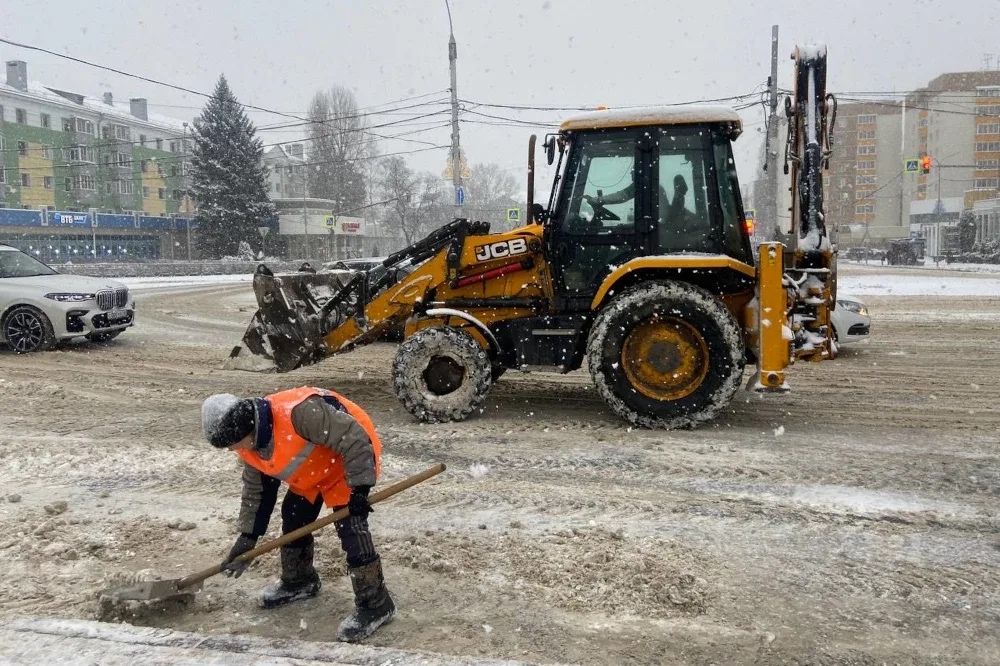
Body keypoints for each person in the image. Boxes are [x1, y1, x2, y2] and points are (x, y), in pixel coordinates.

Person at [201, 386, 394, 642]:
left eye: (232, 443)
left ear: (243, 429)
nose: (231, 449)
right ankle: (299, 581)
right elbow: (257, 493)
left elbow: (354, 439)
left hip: (349, 458)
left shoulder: (301, 414)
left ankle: (376, 603)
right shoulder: (249, 445)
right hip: (313, 467)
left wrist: (360, 489)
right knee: (294, 514)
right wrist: (248, 537)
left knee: (351, 527)